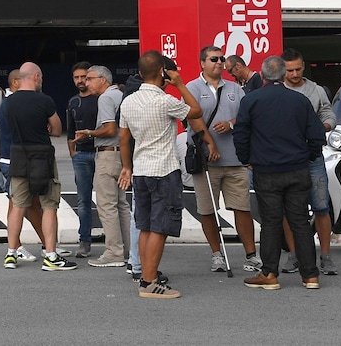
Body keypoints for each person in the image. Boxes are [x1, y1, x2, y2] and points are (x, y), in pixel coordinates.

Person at [235, 55, 325, 290]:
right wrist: (309, 155)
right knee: (301, 222)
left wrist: (246, 159)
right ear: (284, 75)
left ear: (263, 75)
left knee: (271, 222)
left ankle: (269, 273)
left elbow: (241, 135)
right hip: (297, 168)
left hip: (266, 169)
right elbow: (317, 135)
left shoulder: (251, 100)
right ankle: (310, 275)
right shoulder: (300, 100)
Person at [118, 51, 204, 298]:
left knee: (145, 226)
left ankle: (146, 277)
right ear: (162, 73)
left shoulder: (129, 101)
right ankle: (149, 282)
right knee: (160, 228)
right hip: (164, 170)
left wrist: (127, 166)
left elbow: (124, 138)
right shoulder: (166, 101)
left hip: (141, 170)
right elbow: (195, 111)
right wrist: (179, 83)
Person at [185, 47, 260, 273]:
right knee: (207, 210)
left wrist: (231, 123)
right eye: (213, 59)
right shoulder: (191, 88)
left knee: (242, 208)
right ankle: (217, 254)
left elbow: (248, 117)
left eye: (221, 60)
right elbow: (192, 119)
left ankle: (251, 255)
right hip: (206, 161)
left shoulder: (236, 88)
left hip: (235, 159)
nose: (218, 63)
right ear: (202, 63)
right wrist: (210, 144)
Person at [1, 62, 76, 271]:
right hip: (42, 156)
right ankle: (51, 256)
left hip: (17, 155)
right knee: (49, 205)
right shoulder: (45, 100)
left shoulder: (8, 102)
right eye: (40, 77)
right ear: (35, 77)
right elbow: (57, 129)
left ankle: (11, 253)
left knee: (17, 206)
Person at [280, 48, 338, 275]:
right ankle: (294, 255)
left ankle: (326, 256)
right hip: (286, 158)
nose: (294, 74)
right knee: (289, 208)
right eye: (290, 70)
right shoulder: (278, 91)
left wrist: (323, 127)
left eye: (298, 69)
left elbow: (328, 113)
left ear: (304, 66)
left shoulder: (316, 90)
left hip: (313, 156)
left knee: (321, 206)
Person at [76, 65, 131, 268]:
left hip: (108, 154)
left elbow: (109, 129)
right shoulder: (120, 94)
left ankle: (114, 253)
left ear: (103, 80)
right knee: (122, 205)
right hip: (121, 153)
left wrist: (89, 133)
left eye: (90, 78)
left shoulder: (106, 98)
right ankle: (128, 250)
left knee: (107, 205)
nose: (86, 82)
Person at [0, 68, 48, 262]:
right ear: (16, 82)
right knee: (17, 204)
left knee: (31, 203)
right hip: (14, 159)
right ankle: (15, 246)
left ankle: (47, 244)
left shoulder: (10, 103)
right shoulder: (10, 104)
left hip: (17, 158)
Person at [66, 61, 97, 258]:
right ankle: (84, 241)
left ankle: (119, 242)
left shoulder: (101, 99)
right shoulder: (72, 102)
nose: (80, 81)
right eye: (76, 77)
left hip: (103, 153)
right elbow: (68, 131)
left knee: (108, 201)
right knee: (83, 201)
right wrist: (72, 153)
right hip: (81, 156)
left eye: (84, 77)